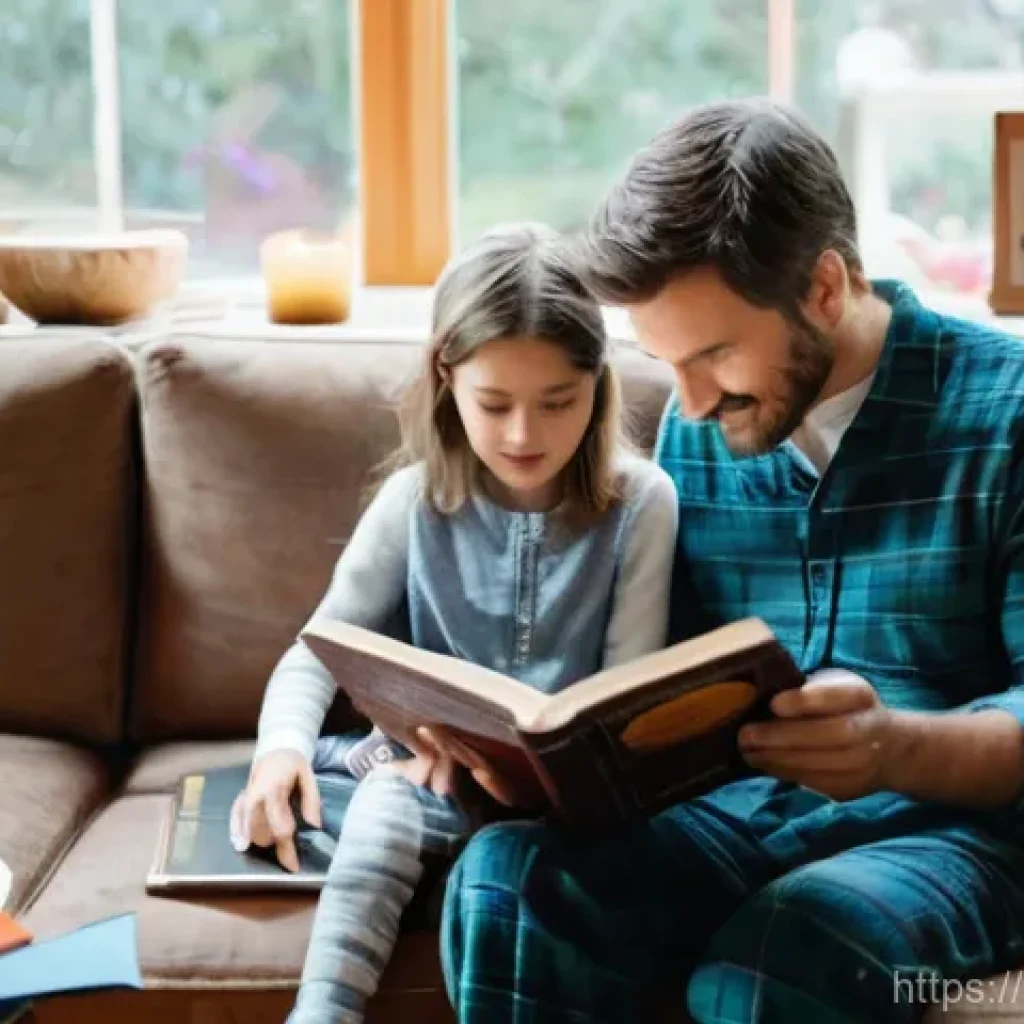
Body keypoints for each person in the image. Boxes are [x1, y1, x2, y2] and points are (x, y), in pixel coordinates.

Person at [439, 99, 1024, 1023]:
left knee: (778, 963)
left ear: (824, 289)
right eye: (666, 361)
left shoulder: (1008, 411)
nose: (693, 402)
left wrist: (893, 747)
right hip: (736, 814)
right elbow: (663, 698)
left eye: (714, 354)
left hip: (950, 834)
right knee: (509, 882)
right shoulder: (696, 428)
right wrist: (542, 775)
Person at [229, 222, 679, 1024]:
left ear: (599, 382)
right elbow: (316, 653)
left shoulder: (641, 504)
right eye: (493, 403)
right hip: (426, 784)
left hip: (569, 808)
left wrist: (544, 781)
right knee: (376, 802)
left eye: (558, 403)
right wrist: (279, 752)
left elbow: (624, 708)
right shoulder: (414, 502)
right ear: (447, 376)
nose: (522, 435)